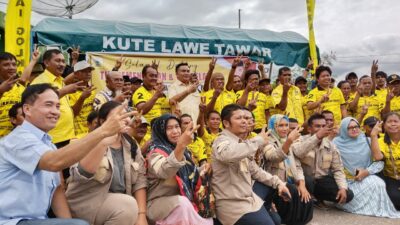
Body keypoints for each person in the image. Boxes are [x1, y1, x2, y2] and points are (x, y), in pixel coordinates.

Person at [0, 83, 132, 225]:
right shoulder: (18, 139)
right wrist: (103, 131)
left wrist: (69, 222)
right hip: (12, 221)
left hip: (38, 220)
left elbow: (57, 190)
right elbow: (54, 162)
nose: (55, 111)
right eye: (48, 105)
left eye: (57, 106)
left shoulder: (48, 144)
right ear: (27, 109)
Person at [66, 101, 148, 225]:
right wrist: (104, 142)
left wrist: (141, 216)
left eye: (126, 116)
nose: (124, 119)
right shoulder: (88, 140)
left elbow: (140, 181)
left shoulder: (131, 144)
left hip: (118, 204)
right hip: (87, 202)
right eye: (118, 116)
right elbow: (81, 175)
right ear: (103, 122)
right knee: (127, 205)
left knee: (129, 206)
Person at [211, 104, 290, 225]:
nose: (244, 121)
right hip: (233, 205)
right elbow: (228, 155)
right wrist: (258, 140)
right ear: (226, 123)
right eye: (238, 118)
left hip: (248, 199)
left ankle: (263, 210)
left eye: (245, 118)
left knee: (276, 219)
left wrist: (278, 183)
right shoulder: (222, 141)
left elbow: (256, 171)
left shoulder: (242, 142)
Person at [146, 114, 213, 225]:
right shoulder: (154, 152)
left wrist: (203, 169)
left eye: (177, 126)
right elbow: (165, 171)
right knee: (183, 204)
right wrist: (181, 145)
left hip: (183, 199)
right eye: (169, 128)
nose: (175, 131)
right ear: (160, 131)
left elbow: (189, 173)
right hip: (159, 204)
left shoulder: (184, 150)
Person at [333, 117, 400, 218]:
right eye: (349, 128)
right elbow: (333, 167)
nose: (354, 129)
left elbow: (379, 162)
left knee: (377, 183)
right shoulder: (335, 144)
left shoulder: (368, 141)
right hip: (345, 180)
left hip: (366, 176)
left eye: (356, 126)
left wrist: (366, 172)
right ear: (343, 129)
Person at [260, 114, 313, 225]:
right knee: (293, 189)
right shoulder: (267, 141)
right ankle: (289, 218)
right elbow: (274, 157)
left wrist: (301, 184)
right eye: (280, 125)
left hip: (289, 177)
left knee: (307, 183)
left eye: (286, 125)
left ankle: (300, 218)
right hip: (273, 182)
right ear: (273, 126)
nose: (284, 128)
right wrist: (288, 142)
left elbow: (297, 165)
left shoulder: (288, 140)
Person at [291, 114, 354, 206]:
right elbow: (298, 152)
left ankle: (317, 197)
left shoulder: (330, 145)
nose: (322, 129)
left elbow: (338, 169)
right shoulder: (299, 140)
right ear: (309, 129)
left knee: (348, 195)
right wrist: (317, 137)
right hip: (302, 180)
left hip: (321, 181)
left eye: (324, 126)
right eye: (318, 126)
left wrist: (343, 188)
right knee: (308, 181)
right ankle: (308, 198)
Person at [30, 49, 84, 147]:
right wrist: (65, 90)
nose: (62, 64)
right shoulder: (39, 81)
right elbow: (39, 103)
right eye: (58, 61)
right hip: (51, 138)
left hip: (67, 136)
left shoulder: (61, 81)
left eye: (63, 61)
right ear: (46, 63)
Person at [0, 50, 38, 137]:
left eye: (14, 64)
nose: (11, 67)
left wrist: (33, 60)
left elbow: (24, 78)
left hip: (20, 139)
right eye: (6, 65)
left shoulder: (20, 86)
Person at [371, 112, 400, 210]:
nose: (393, 124)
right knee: (395, 200)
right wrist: (374, 135)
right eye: (389, 122)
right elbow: (378, 157)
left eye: (396, 121)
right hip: (391, 178)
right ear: (384, 125)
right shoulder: (381, 141)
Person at [68, 61, 96, 138]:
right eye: (84, 71)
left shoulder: (92, 90)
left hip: (91, 133)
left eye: (89, 71)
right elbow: (72, 114)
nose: (88, 73)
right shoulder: (69, 91)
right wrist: (82, 98)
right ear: (76, 74)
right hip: (76, 135)